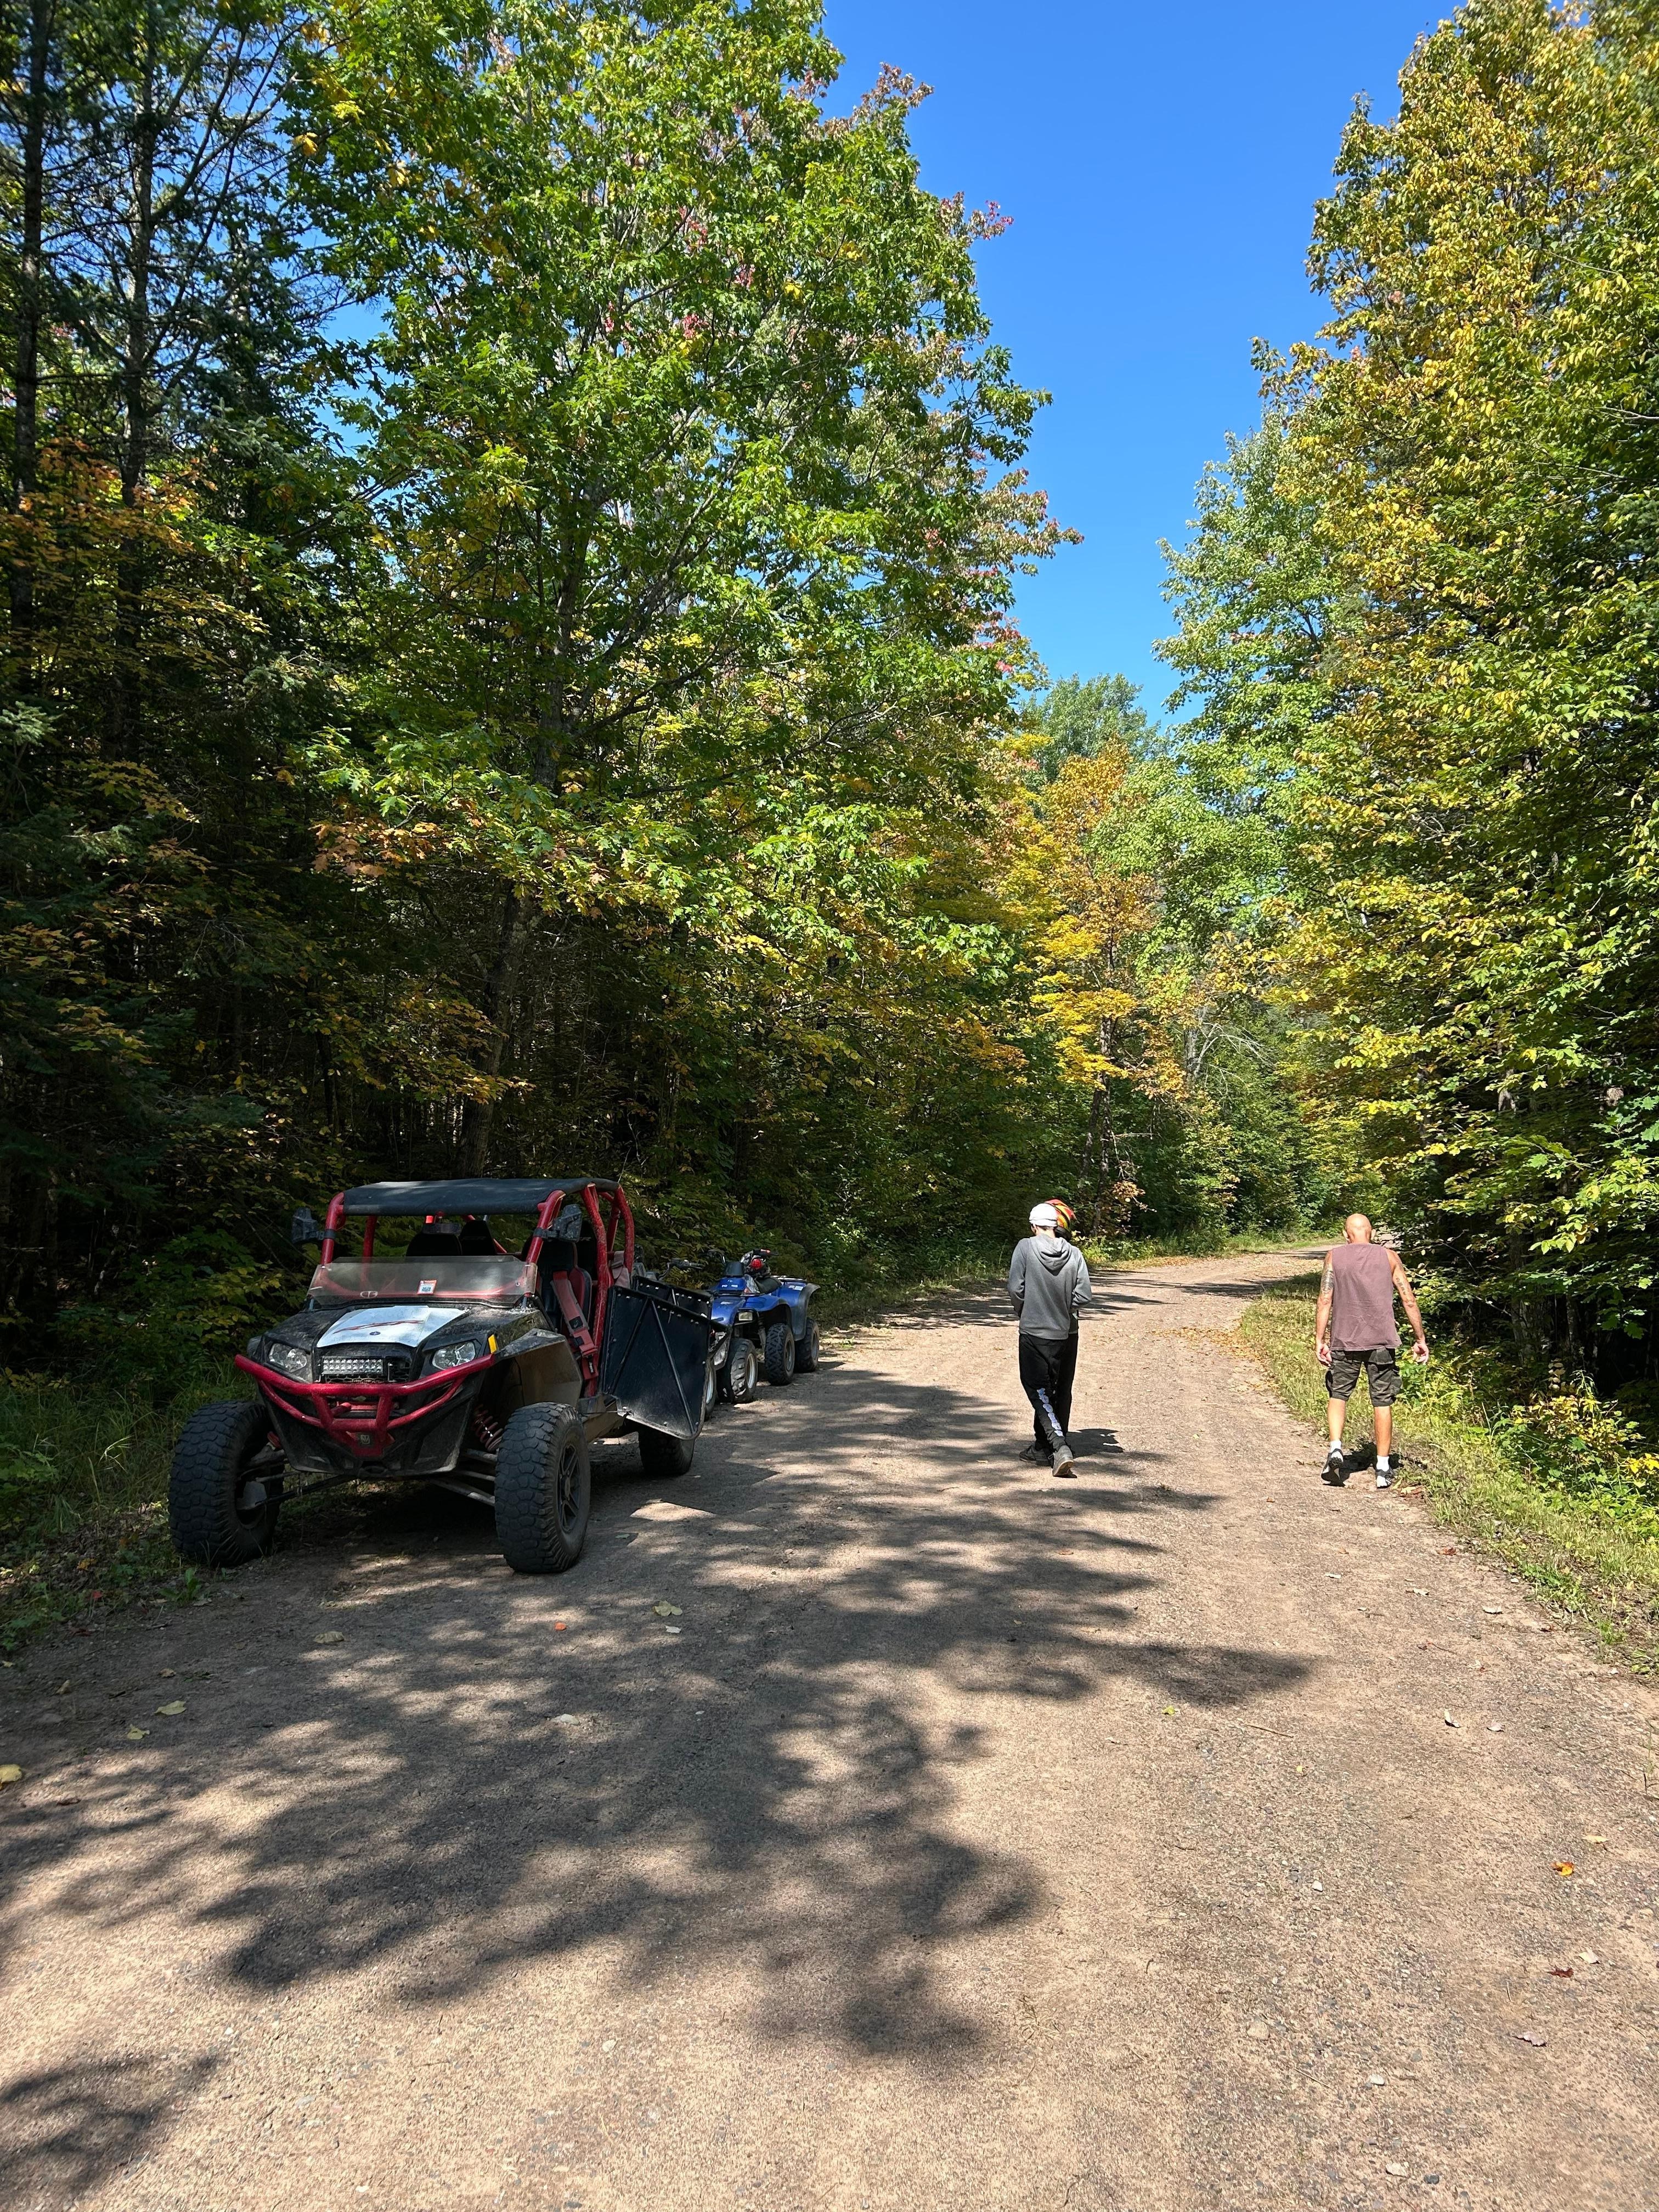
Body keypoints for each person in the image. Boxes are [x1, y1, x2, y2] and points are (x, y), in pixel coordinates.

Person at [1314, 1214, 1429, 1489]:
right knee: (1382, 1401)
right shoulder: (1389, 1257)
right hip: (1382, 1341)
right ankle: (1382, 1468)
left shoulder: (1334, 1257)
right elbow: (1408, 1299)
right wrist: (1420, 1338)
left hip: (1345, 1340)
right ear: (1373, 1233)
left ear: (1346, 1234)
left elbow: (1325, 1299)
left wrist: (1320, 1339)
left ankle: (1335, 1449)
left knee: (1339, 1394)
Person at [1008, 1200, 1092, 1476]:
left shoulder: (1025, 1247)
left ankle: (1059, 1446)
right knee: (1056, 1389)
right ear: (1056, 1226)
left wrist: (1025, 1311)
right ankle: (1045, 1447)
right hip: (1063, 1333)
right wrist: (1062, 1309)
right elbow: (1084, 1295)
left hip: (1033, 1331)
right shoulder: (1075, 1253)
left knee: (1038, 1389)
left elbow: (1016, 1288)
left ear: (1034, 1226)